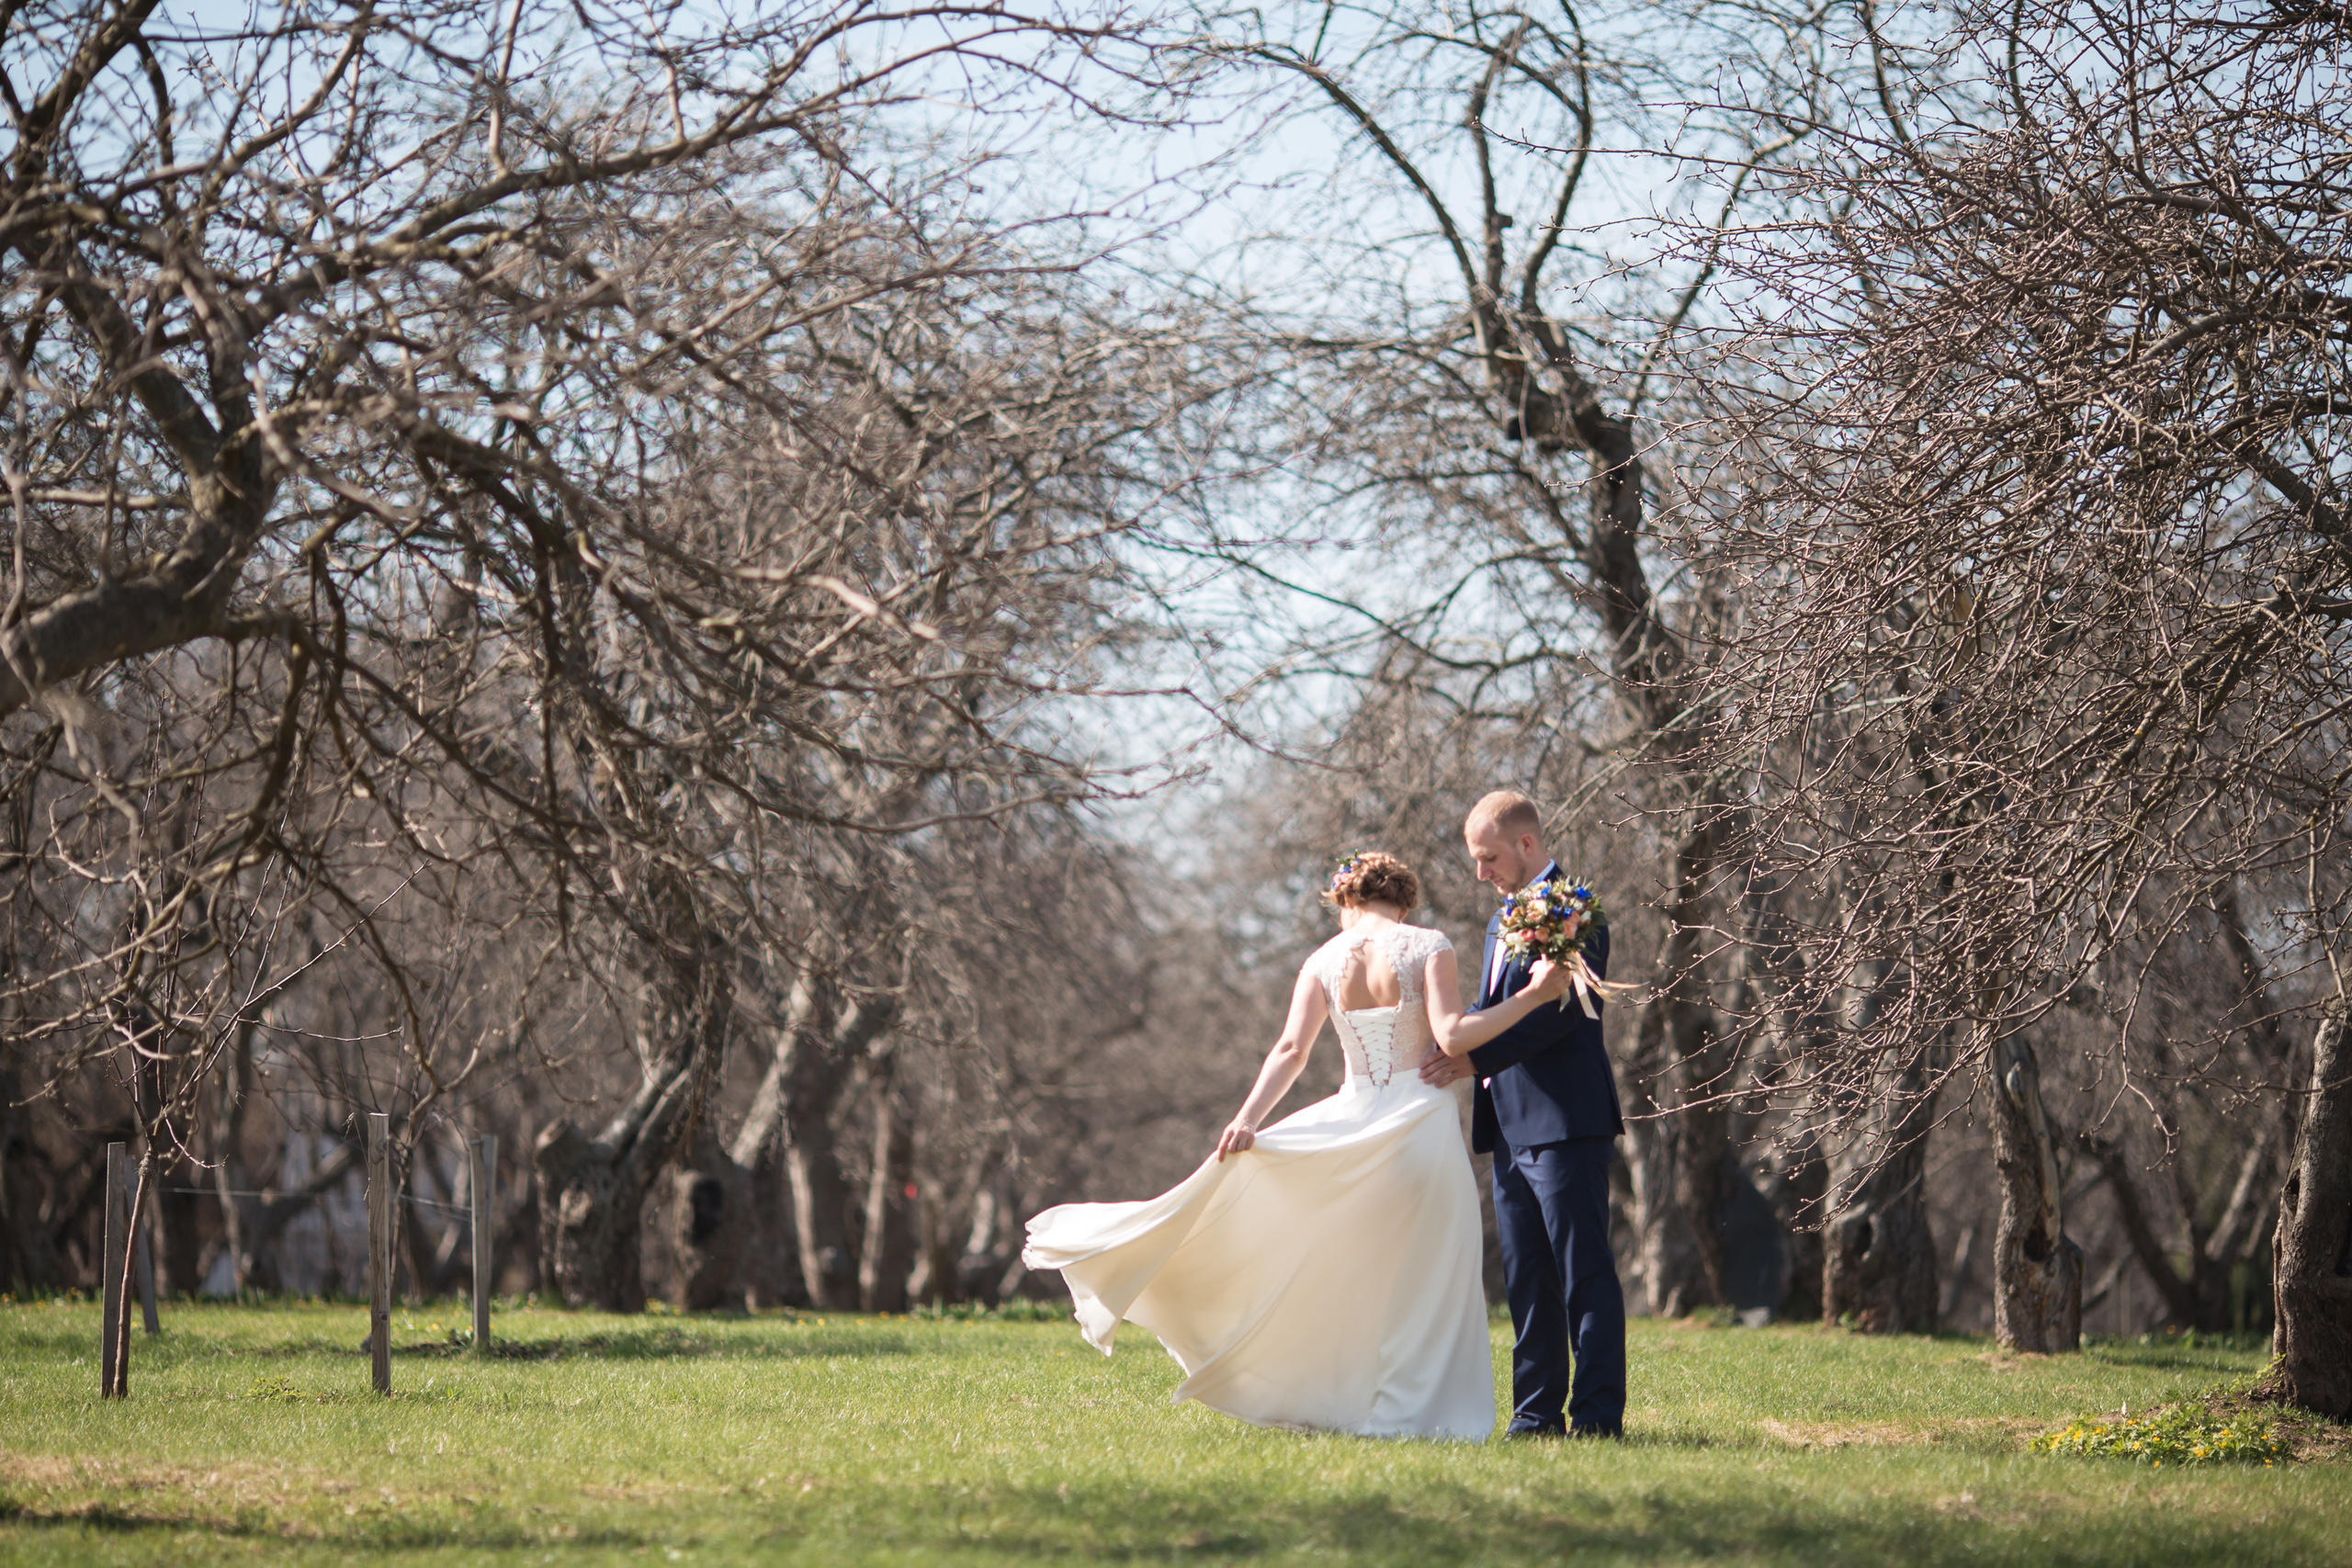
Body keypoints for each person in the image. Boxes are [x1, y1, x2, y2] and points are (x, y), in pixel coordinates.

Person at [1022, 851, 1572, 1438]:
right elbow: (1453, 1035)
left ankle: (1354, 1402)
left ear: (1347, 902)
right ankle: (1419, 1414)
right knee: (1430, 1275)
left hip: (1354, 1120)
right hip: (1419, 1127)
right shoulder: (1428, 944)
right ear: (1404, 900)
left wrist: (1247, 1120)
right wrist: (1535, 996)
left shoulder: (1322, 960)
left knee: (1358, 1272)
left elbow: (1290, 1050)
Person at [1419, 790, 1627, 1438]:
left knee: (1582, 1273)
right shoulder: (1498, 920)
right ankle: (1535, 1416)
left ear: (1527, 845)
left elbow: (1557, 1015)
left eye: (1488, 857)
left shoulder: (1578, 909)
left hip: (1566, 1121)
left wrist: (1472, 1057)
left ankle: (1596, 1418)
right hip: (1508, 1128)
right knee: (1527, 1280)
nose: (1481, 872)